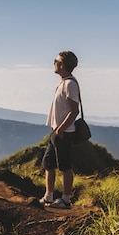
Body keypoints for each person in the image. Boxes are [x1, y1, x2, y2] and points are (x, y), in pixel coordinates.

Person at [41, 50, 80, 209]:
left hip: (63, 132)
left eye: (56, 61)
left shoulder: (70, 84)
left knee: (64, 166)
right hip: (57, 131)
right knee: (48, 163)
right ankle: (48, 196)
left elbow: (74, 110)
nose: (54, 63)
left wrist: (61, 129)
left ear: (62, 65)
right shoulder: (64, 82)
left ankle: (65, 199)